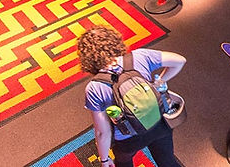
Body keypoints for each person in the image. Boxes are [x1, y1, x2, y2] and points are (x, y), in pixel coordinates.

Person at [78, 26, 185, 167]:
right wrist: (157, 83)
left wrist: (104, 160)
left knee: (124, 161)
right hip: (159, 123)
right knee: (167, 161)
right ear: (115, 41)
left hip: (128, 137)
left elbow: (102, 132)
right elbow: (179, 61)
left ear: (88, 60)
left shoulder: (94, 88)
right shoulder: (140, 56)